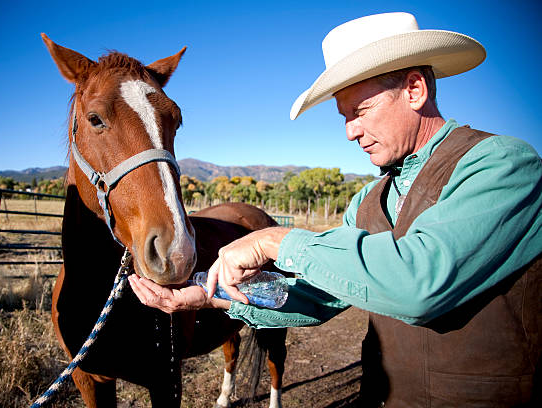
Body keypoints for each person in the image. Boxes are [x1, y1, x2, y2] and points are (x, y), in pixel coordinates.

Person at [129, 12, 541, 407]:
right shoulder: (367, 201)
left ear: (415, 89)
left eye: (359, 112)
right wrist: (209, 297)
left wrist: (276, 239)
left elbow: (421, 282)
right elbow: (316, 294)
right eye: (343, 117)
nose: (349, 132)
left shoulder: (502, 165)